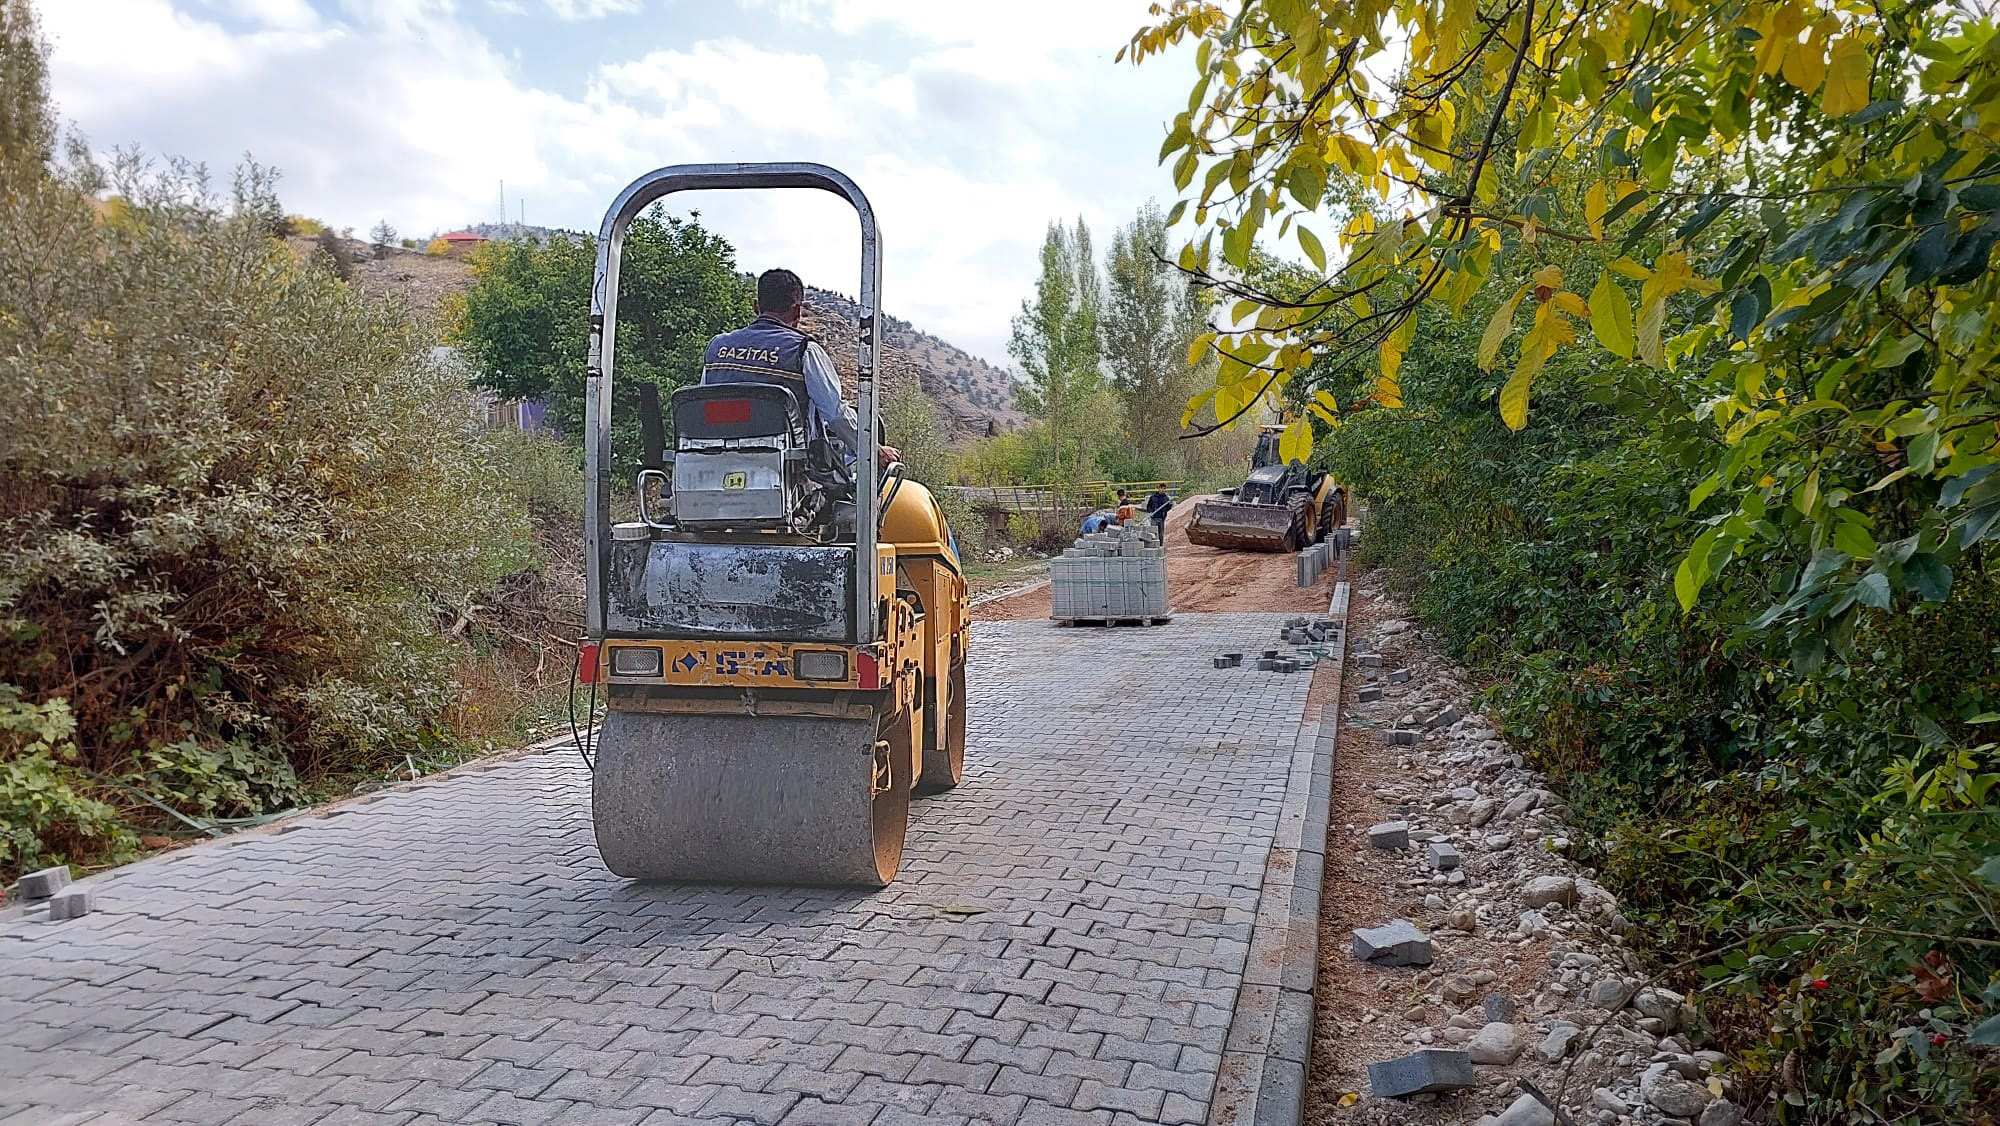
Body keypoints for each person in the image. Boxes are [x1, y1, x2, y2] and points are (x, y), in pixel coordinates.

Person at [699, 268, 899, 471]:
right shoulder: (804, 350)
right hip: (786, 474)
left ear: (756, 307)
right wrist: (875, 451)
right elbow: (835, 414)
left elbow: (701, 405)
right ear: (797, 311)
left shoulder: (717, 348)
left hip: (715, 469)